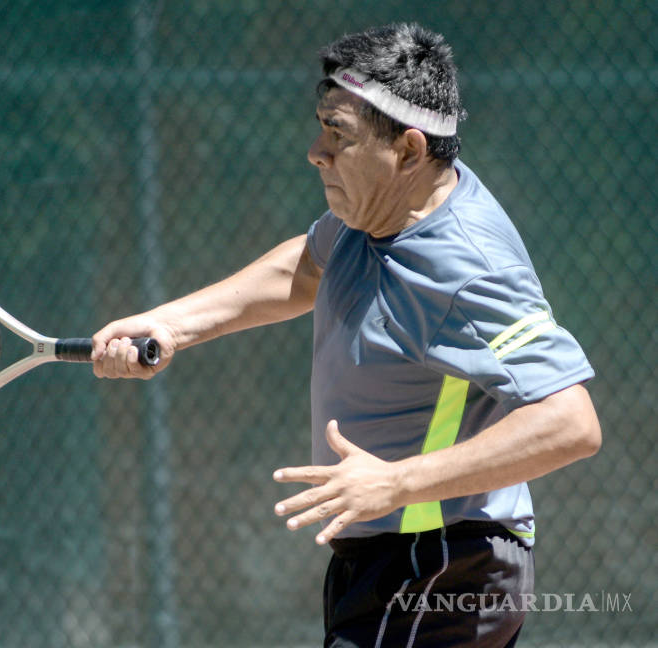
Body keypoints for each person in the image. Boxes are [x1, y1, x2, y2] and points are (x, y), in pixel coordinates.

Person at [90, 22, 601, 648]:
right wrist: (170, 325)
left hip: (443, 563)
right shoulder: (369, 214)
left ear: (409, 151)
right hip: (390, 559)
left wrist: (397, 481)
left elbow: (571, 422)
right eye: (320, 125)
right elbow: (304, 267)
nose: (315, 151)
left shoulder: (467, 268)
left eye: (339, 134)